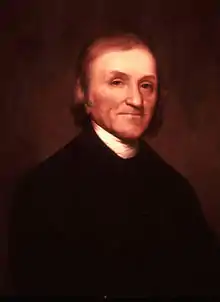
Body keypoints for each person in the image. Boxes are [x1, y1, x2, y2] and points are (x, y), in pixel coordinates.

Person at [8, 31, 220, 297]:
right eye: (117, 82)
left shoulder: (176, 189)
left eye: (146, 85)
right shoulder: (44, 188)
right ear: (85, 94)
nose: (136, 100)